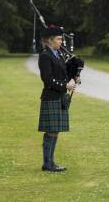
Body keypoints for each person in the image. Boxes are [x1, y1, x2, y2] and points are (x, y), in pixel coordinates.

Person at [37, 26, 77, 172]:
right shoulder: (45, 56)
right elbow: (47, 79)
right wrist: (65, 85)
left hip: (59, 96)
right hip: (51, 96)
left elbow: (63, 73)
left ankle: (50, 163)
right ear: (49, 40)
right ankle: (48, 164)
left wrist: (73, 78)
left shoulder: (58, 53)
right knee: (51, 131)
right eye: (59, 39)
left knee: (56, 130)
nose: (61, 41)